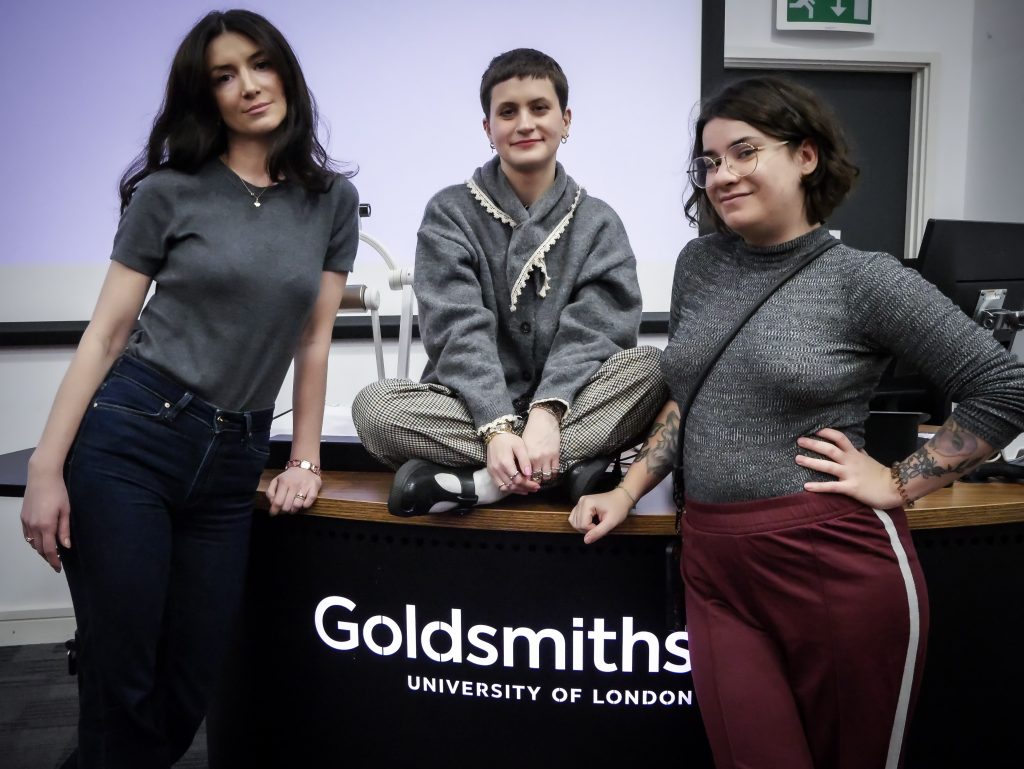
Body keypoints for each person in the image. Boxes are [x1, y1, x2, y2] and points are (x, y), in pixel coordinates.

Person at [570, 76, 1024, 769]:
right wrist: (627, 489)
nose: (722, 175)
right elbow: (690, 394)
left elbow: (1003, 386)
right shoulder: (699, 266)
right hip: (714, 565)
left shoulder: (864, 279)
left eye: (744, 152)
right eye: (710, 162)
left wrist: (902, 479)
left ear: (806, 156)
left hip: (834, 563)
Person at [19, 10, 358, 767]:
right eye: (223, 76)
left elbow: (312, 336)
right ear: (203, 96)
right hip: (131, 440)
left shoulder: (329, 200)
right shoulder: (170, 191)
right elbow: (106, 334)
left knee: (186, 687)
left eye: (259, 64)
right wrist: (46, 467)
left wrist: (303, 459)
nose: (247, 86)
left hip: (234, 461)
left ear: (285, 72)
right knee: (122, 686)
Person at [353, 48, 665, 516]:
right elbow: (458, 328)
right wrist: (497, 427)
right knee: (374, 408)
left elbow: (597, 331)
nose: (525, 124)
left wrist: (547, 412)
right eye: (507, 112)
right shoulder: (449, 212)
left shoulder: (599, 222)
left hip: (570, 407)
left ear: (565, 119)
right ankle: (562, 470)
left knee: (653, 369)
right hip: (468, 410)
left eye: (539, 108)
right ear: (488, 128)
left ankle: (482, 483)